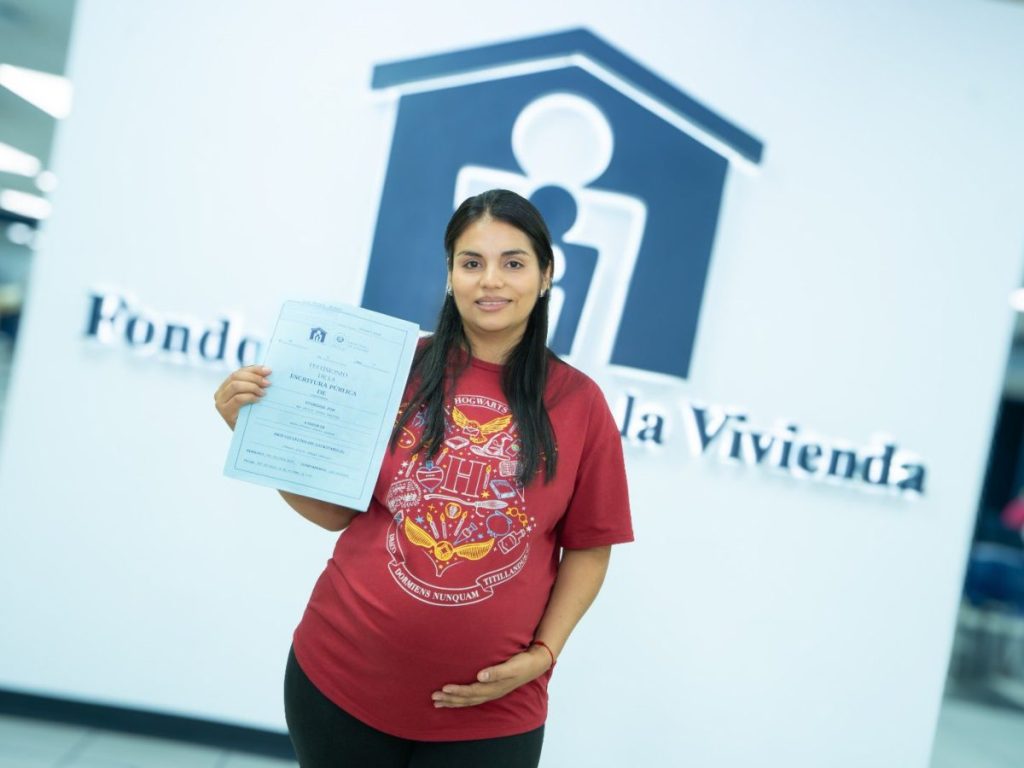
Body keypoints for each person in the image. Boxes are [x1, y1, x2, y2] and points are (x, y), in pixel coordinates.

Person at [214, 189, 633, 767]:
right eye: (471, 262)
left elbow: (590, 548)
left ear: (545, 276)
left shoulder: (580, 404)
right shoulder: (394, 368)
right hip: (341, 678)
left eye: (513, 263)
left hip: (492, 711)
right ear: (451, 274)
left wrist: (544, 653)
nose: (491, 281)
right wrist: (256, 433)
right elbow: (337, 512)